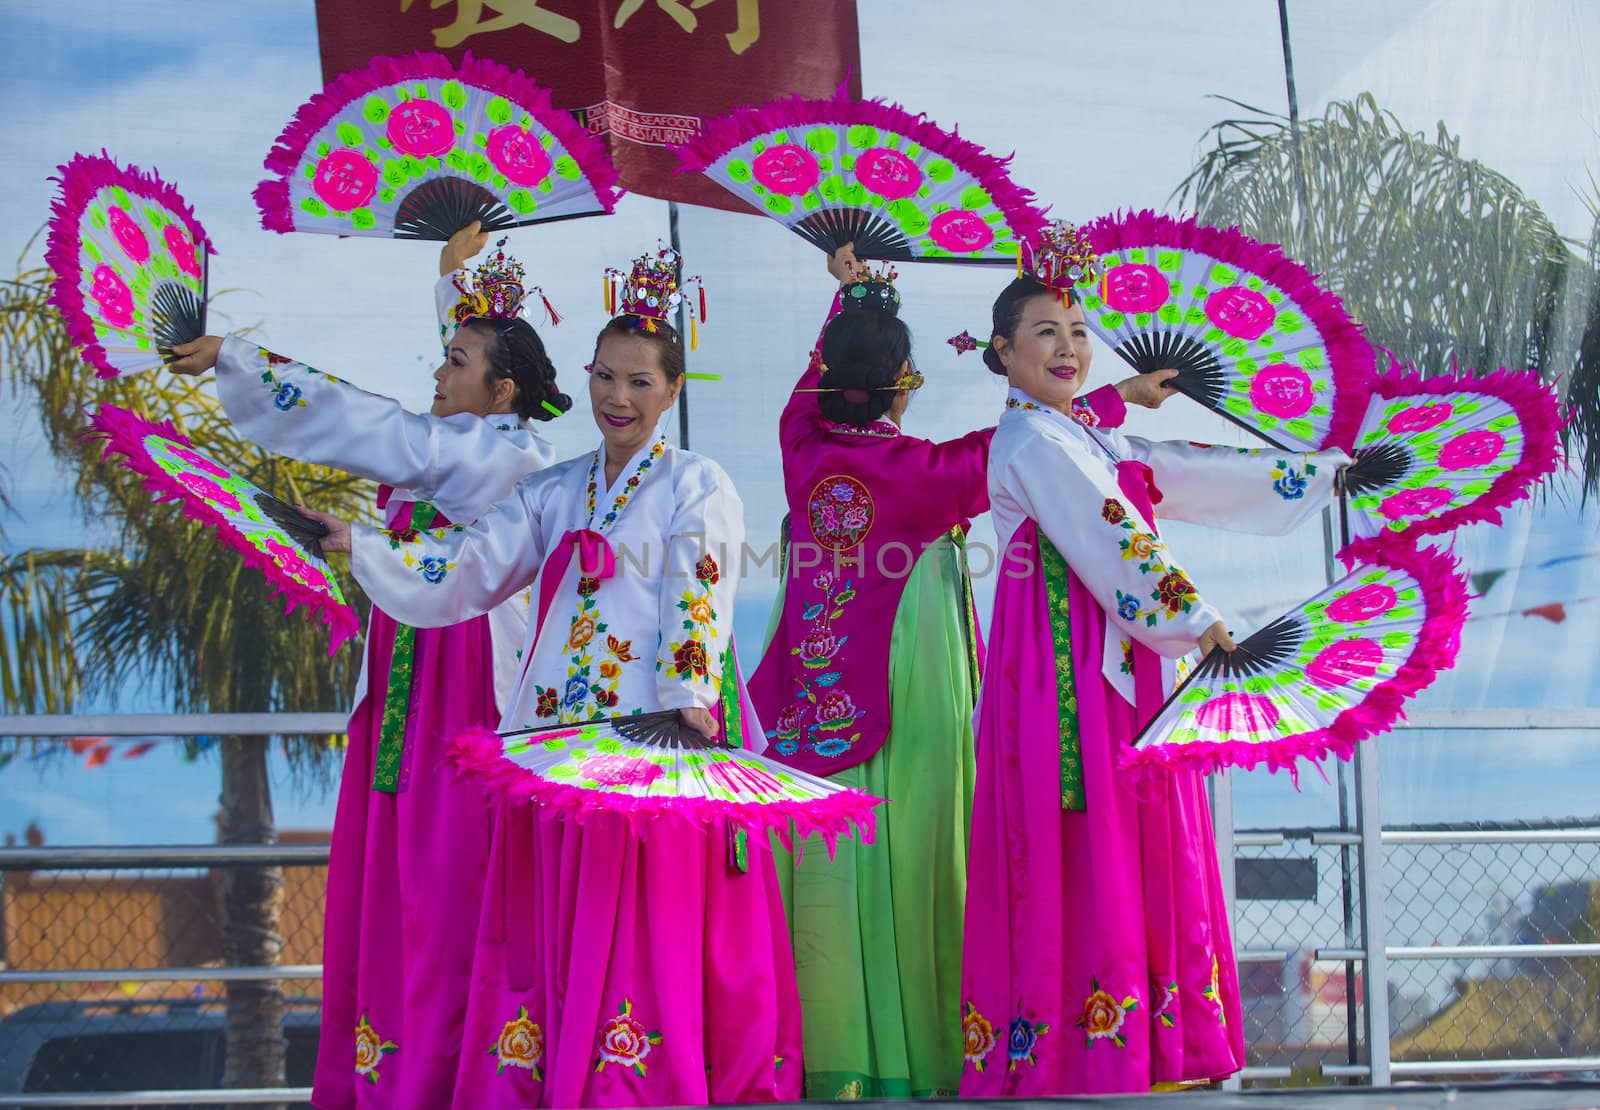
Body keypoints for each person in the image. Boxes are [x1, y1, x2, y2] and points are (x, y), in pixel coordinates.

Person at [306, 246, 804, 1108]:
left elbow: (702, 585)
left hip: (649, 737)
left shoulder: (698, 482)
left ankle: (634, 1080)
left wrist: (688, 702)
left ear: (672, 391)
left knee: (642, 926)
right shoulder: (558, 489)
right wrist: (367, 548)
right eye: (607, 377)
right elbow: (472, 570)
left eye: (641, 383)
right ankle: (561, 1078)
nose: (619, 398)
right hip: (551, 741)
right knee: (555, 922)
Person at [748, 244, 1166, 1099]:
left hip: (810, 706)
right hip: (907, 704)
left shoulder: (799, 447)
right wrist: (1118, 397)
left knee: (824, 877)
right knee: (920, 865)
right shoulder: (923, 475)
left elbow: (813, 381)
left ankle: (827, 1059)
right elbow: (1036, 434)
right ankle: (928, 1060)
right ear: (908, 388)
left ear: (826, 381)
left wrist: (855, 292)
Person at [169, 222, 568, 1110]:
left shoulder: (505, 455)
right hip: (411, 670)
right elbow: (431, 415)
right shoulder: (479, 439)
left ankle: (458, 1078)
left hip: (464, 684)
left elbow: (378, 425)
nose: (436, 372)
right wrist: (450, 286)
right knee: (402, 880)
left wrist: (237, 360)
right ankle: (403, 1074)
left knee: (450, 882)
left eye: (454, 361)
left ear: (502, 393)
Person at [956, 223, 1350, 1096]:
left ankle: (1136, 1044)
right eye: (1045, 333)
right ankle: (1079, 1049)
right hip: (1062, 677)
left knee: (1123, 835)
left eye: (1077, 330)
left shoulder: (1082, 435)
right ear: (1003, 354)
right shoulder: (1030, 443)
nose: (1067, 346)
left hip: (1118, 663)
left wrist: (1319, 476)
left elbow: (1179, 468)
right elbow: (1114, 535)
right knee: (1079, 835)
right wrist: (1200, 620)